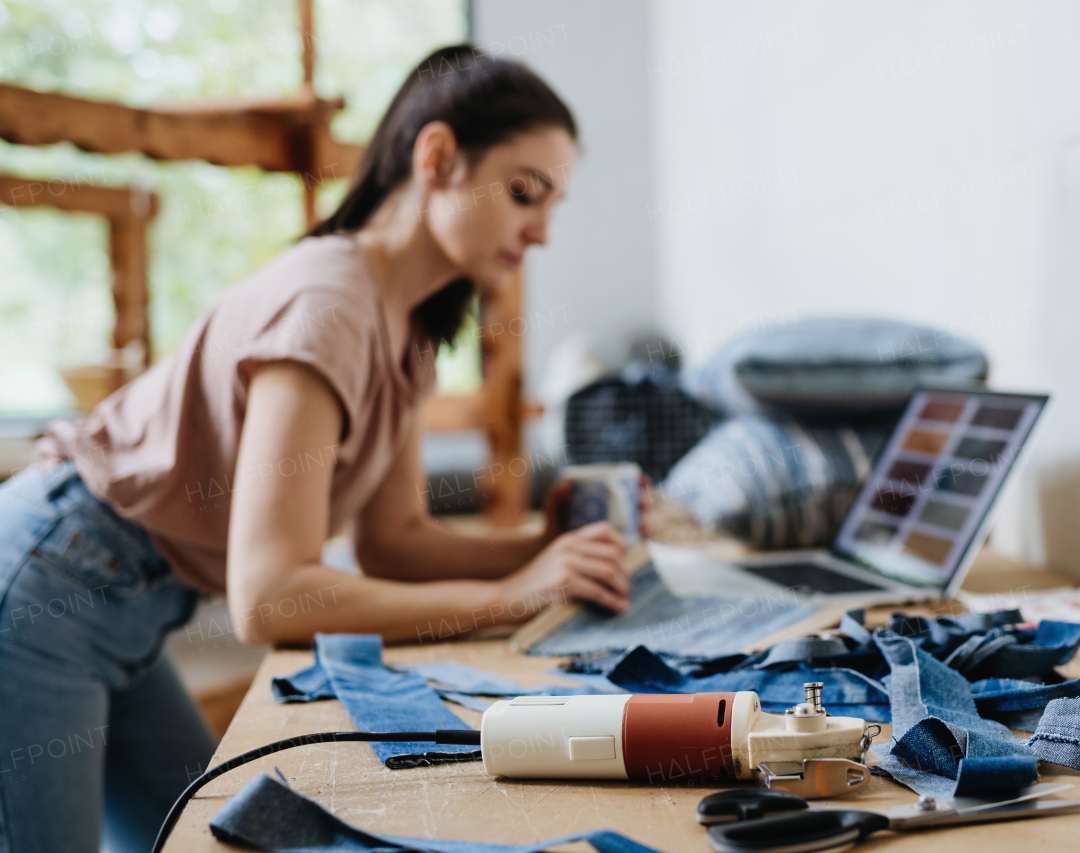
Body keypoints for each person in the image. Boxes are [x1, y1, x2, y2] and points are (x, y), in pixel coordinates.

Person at [0, 45, 631, 853]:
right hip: (49, 579)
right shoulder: (328, 303)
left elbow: (392, 541)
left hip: (126, 605)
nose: (541, 231)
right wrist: (511, 593)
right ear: (435, 157)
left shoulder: (407, 332)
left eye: (553, 204)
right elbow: (270, 595)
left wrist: (545, 548)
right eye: (523, 193)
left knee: (210, 836)